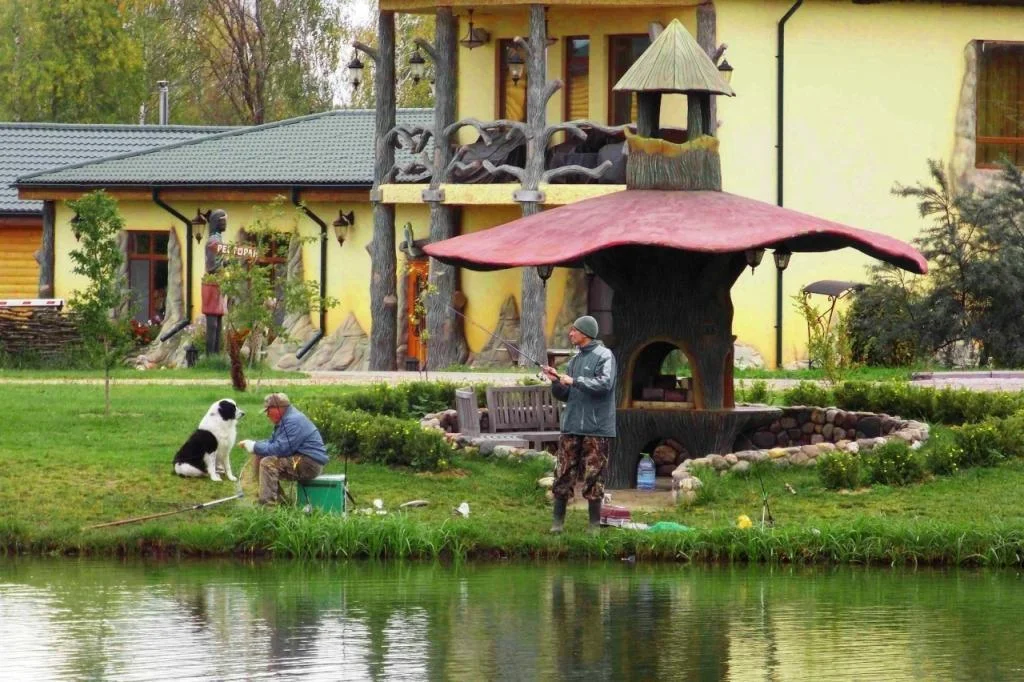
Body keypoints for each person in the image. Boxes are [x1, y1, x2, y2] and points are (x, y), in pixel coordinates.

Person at [541, 315, 617, 534]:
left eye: (574, 330)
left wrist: (575, 381)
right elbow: (566, 394)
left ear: (585, 333)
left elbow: (605, 384)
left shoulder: (605, 356)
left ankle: (594, 526)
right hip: (572, 426)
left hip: (597, 428)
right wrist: (556, 381)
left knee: (594, 476)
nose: (570, 334)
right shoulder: (574, 361)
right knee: (563, 474)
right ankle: (557, 524)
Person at [237, 393, 329, 506]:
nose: (267, 415)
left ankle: (268, 506)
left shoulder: (293, 421)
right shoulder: (286, 419)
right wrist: (256, 445)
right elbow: (273, 442)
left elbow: (280, 449)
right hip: (300, 458)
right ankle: (279, 502)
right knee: (260, 455)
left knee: (268, 463)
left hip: (309, 464)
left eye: (268, 411)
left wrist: (254, 446)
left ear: (277, 409)